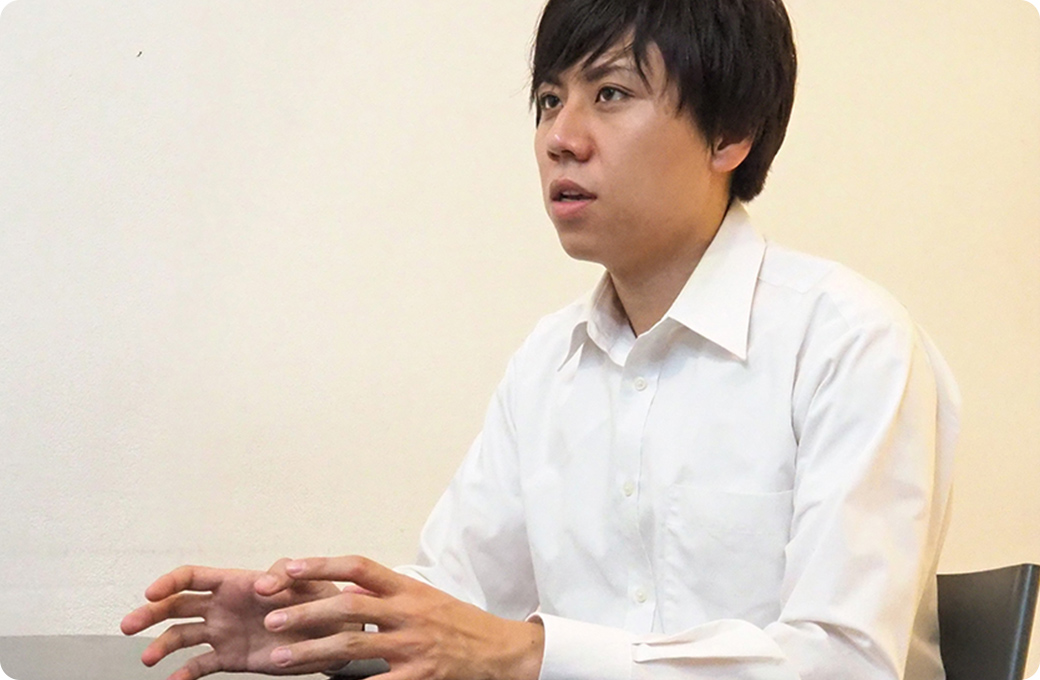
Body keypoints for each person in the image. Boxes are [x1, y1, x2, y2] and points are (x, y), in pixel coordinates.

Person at [121, 0, 960, 679]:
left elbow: (845, 663)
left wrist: (532, 655)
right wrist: (314, 627)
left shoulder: (847, 340)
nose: (561, 136)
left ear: (729, 134)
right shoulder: (547, 362)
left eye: (612, 94)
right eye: (551, 100)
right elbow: (458, 601)